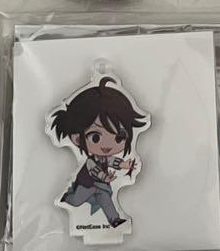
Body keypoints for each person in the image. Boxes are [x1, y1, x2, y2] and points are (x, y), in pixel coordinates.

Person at [50, 77, 148, 228]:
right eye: (95, 137)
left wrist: (124, 164)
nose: (107, 145)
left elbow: (111, 161)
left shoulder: (104, 158)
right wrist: (105, 176)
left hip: (101, 186)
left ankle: (114, 220)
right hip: (86, 185)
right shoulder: (90, 161)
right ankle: (66, 198)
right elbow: (94, 170)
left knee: (106, 199)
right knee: (76, 201)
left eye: (119, 137)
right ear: (77, 138)